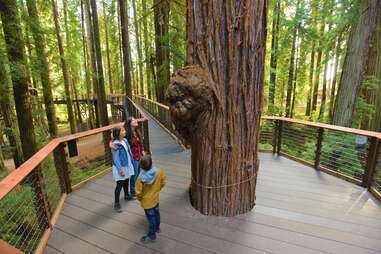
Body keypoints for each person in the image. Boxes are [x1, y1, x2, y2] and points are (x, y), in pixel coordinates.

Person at [110, 117, 145, 200]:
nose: (136, 120)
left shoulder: (137, 132)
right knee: (134, 174)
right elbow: (115, 138)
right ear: (129, 123)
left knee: (137, 173)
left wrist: (142, 151)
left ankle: (133, 190)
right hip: (132, 158)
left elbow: (141, 143)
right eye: (133, 120)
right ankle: (133, 191)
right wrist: (110, 144)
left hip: (138, 155)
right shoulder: (127, 133)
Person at [136, 155, 166, 243]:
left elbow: (138, 193)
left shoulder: (140, 178)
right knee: (156, 213)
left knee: (151, 217)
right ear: (152, 162)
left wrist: (141, 199)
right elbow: (163, 182)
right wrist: (157, 189)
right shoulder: (159, 171)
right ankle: (157, 227)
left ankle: (152, 235)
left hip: (147, 203)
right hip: (156, 198)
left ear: (141, 166)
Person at [111, 126, 135, 213]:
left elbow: (129, 152)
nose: (125, 131)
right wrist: (121, 171)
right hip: (120, 167)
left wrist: (131, 162)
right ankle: (116, 203)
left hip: (127, 164)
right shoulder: (115, 144)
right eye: (123, 130)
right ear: (118, 133)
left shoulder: (124, 140)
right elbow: (116, 159)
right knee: (119, 184)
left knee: (126, 180)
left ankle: (126, 195)